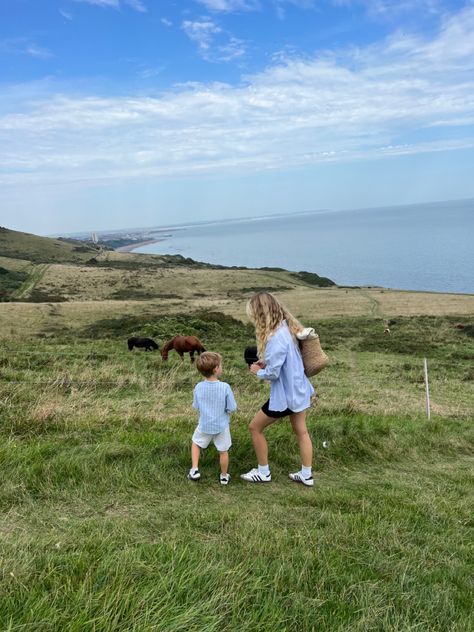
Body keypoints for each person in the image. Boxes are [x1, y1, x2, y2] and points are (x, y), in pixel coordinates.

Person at [241, 292, 315, 487]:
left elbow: (274, 374)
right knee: (302, 432)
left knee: (255, 427)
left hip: (285, 396)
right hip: (299, 389)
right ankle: (306, 474)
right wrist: (266, 362)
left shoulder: (275, 337)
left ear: (260, 314)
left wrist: (258, 371)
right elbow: (284, 360)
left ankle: (263, 471)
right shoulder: (287, 327)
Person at [188, 351, 237, 485]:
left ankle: (194, 469)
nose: (221, 367)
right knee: (223, 450)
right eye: (220, 365)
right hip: (222, 425)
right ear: (216, 369)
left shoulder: (198, 387)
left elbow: (196, 405)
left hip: (204, 424)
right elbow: (232, 407)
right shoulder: (225, 387)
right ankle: (224, 476)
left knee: (196, 443)